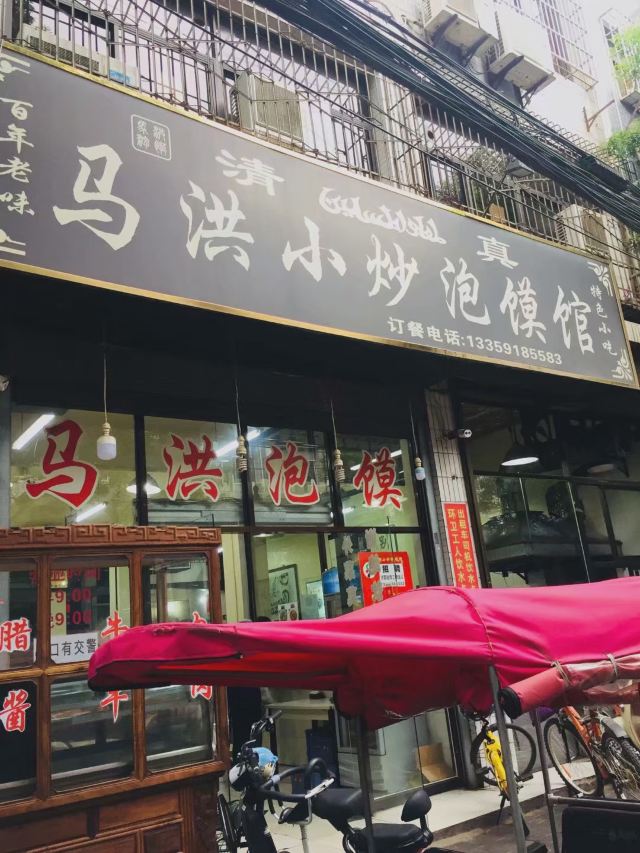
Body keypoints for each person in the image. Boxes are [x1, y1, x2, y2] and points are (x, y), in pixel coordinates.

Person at [227, 618, 270, 755]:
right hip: (246, 705)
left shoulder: (234, 656)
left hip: (242, 707)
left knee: (245, 741)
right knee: (250, 740)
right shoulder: (248, 655)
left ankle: (244, 764)